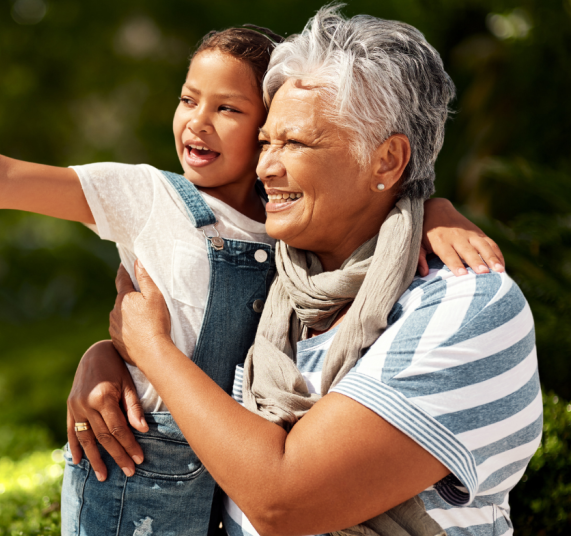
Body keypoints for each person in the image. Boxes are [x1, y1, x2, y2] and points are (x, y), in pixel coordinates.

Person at [0, 21, 506, 536]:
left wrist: (427, 206)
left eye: (233, 111)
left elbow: (367, 205)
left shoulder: (296, 243)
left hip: (218, 492)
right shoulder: (151, 197)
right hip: (135, 470)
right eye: (188, 98)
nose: (198, 122)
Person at [70, 6, 541, 536]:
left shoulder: (466, 308)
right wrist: (109, 359)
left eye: (294, 143)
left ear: (386, 162)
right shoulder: (276, 290)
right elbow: (203, 397)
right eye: (266, 141)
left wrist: (151, 350)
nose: (265, 166)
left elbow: (284, 500)